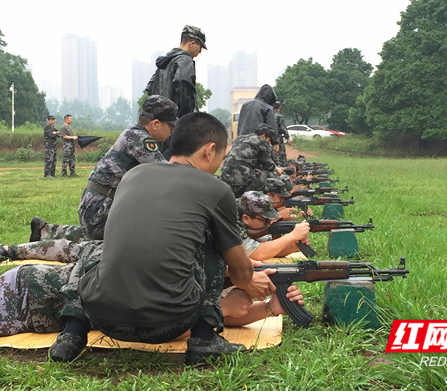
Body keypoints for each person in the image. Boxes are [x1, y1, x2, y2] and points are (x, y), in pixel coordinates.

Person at [48, 112, 277, 365]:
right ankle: (204, 340)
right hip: (171, 322)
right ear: (210, 150)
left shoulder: (132, 176)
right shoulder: (215, 188)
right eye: (221, 157)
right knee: (214, 241)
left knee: (94, 248)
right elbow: (240, 273)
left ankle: (71, 332)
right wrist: (246, 280)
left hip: (101, 317)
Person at [0, 245, 303, 339]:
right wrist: (241, 299)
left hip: (32, 310)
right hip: (23, 297)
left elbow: (227, 316)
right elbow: (215, 316)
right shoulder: (183, 277)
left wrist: (272, 306)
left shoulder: (204, 283)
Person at [29, 95, 177, 243]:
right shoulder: (140, 139)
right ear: (156, 124)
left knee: (96, 233)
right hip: (100, 208)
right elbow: (167, 175)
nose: (171, 131)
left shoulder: (133, 133)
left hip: (95, 205)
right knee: (126, 243)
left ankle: (45, 231)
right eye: (170, 126)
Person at [145, 25, 207, 159]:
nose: (200, 51)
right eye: (200, 47)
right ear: (192, 43)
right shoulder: (185, 60)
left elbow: (150, 89)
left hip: (157, 125)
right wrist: (187, 120)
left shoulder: (164, 63)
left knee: (159, 162)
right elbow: (184, 88)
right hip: (175, 125)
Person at [237, 191, 310, 262]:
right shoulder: (232, 225)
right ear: (246, 218)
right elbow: (258, 253)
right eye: (264, 220)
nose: (268, 224)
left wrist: (293, 245)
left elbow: (270, 250)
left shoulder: (251, 226)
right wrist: (292, 236)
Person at [219, 123, 283, 198]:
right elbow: (268, 164)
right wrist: (277, 169)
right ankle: (269, 199)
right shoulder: (261, 141)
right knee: (270, 176)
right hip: (242, 179)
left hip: (224, 176)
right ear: (263, 136)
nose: (269, 143)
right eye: (269, 140)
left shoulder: (239, 138)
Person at [273, 101, 290, 166]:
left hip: (269, 137)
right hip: (278, 137)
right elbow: (282, 128)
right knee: (281, 152)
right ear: (280, 107)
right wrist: (287, 137)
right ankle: (282, 166)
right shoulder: (279, 116)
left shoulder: (269, 115)